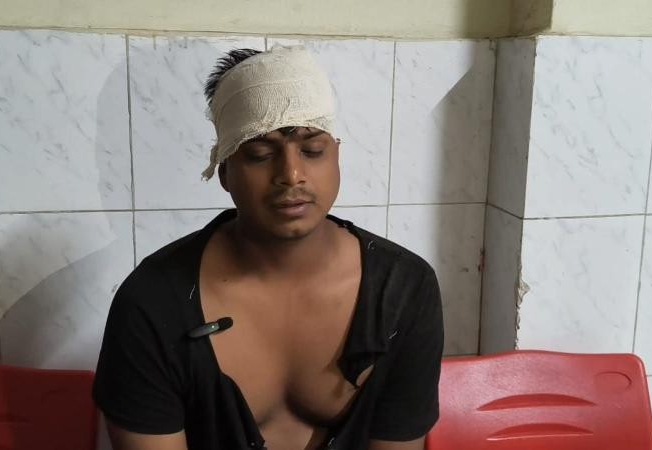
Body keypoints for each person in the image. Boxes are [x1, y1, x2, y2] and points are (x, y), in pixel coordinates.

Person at [93, 45, 444, 450]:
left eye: (312, 150)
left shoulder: (404, 289)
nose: (291, 174)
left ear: (336, 156)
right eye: (259, 154)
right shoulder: (152, 302)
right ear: (224, 171)